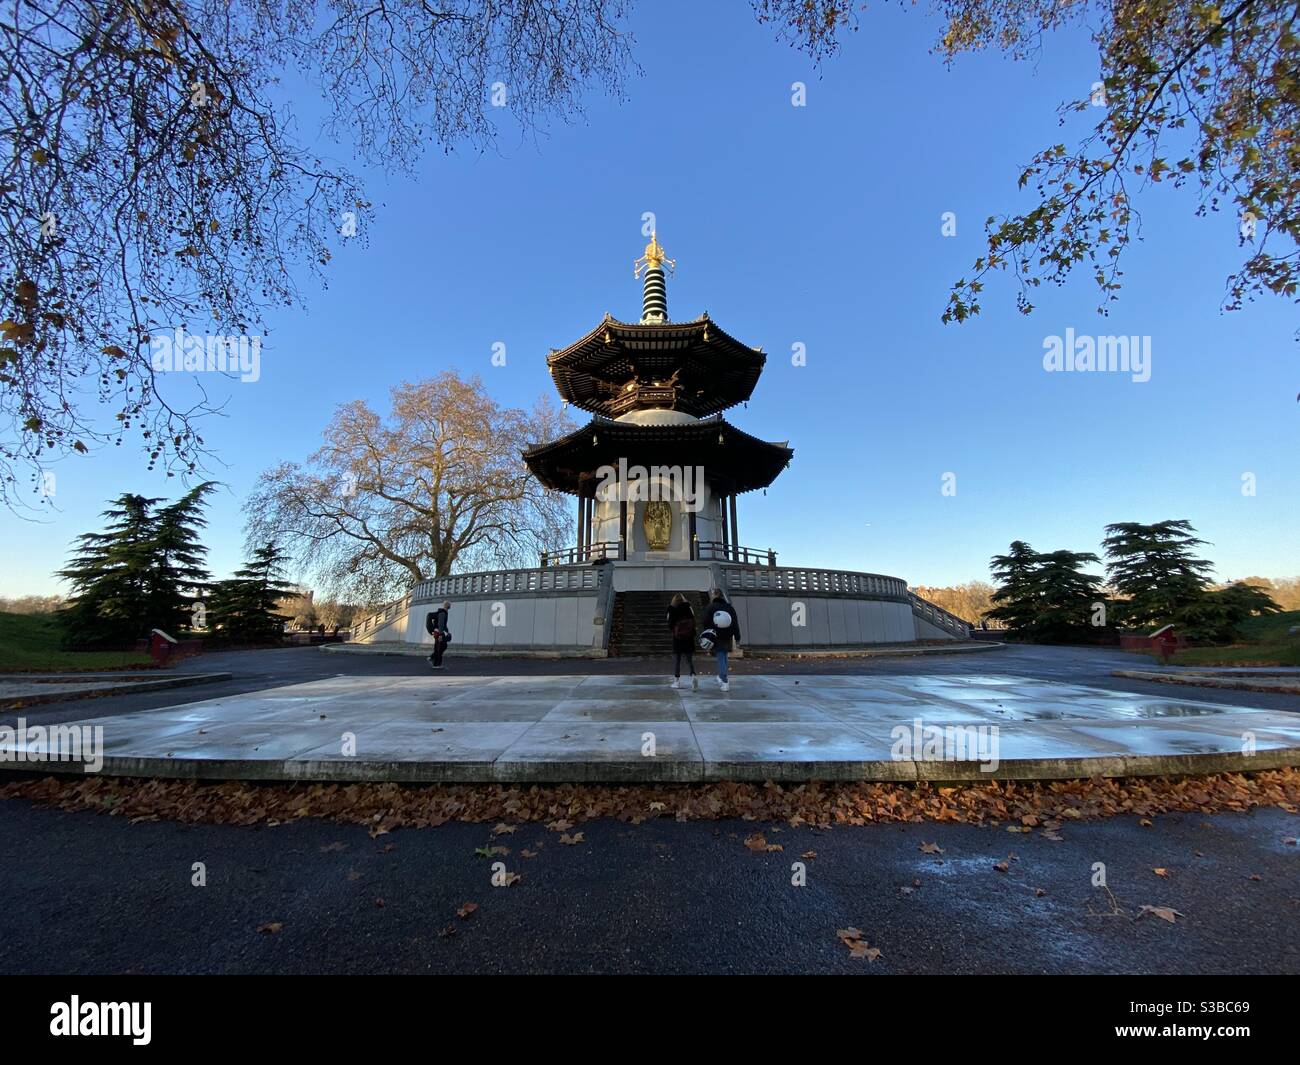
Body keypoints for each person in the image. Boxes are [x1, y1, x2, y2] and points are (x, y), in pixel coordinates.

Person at [705, 587, 740, 692]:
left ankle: (724, 680)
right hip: (727, 635)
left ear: (714, 595)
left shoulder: (711, 607)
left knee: (720, 656)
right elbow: (735, 623)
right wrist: (737, 637)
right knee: (723, 656)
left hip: (717, 635)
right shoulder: (729, 607)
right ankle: (722, 676)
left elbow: (705, 622)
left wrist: (707, 635)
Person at [667, 592, 698, 690]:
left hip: (678, 638)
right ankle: (693, 675)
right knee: (689, 660)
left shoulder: (672, 609)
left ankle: (676, 681)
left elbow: (670, 624)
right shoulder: (688, 608)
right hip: (689, 638)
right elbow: (694, 621)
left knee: (677, 660)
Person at [426, 599, 451, 670]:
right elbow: (440, 624)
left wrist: (447, 631)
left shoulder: (443, 612)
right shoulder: (443, 613)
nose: (450, 606)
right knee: (439, 647)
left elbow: (443, 624)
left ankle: (432, 658)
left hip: (439, 632)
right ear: (447, 605)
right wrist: (440, 634)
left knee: (443, 646)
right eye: (449, 604)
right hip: (439, 632)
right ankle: (436, 664)